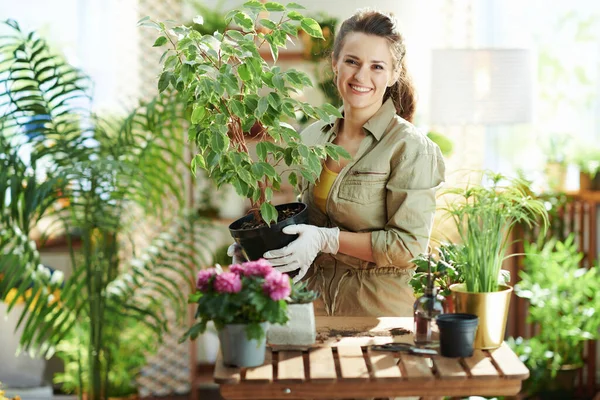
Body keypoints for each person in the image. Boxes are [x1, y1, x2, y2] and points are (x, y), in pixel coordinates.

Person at [230, 8, 445, 317]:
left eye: (377, 66)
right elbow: (306, 223)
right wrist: (259, 249)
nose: (361, 76)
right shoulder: (313, 136)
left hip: (377, 314)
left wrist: (328, 239)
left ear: (394, 74)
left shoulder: (410, 148)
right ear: (335, 64)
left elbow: (408, 247)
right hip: (311, 304)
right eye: (352, 61)